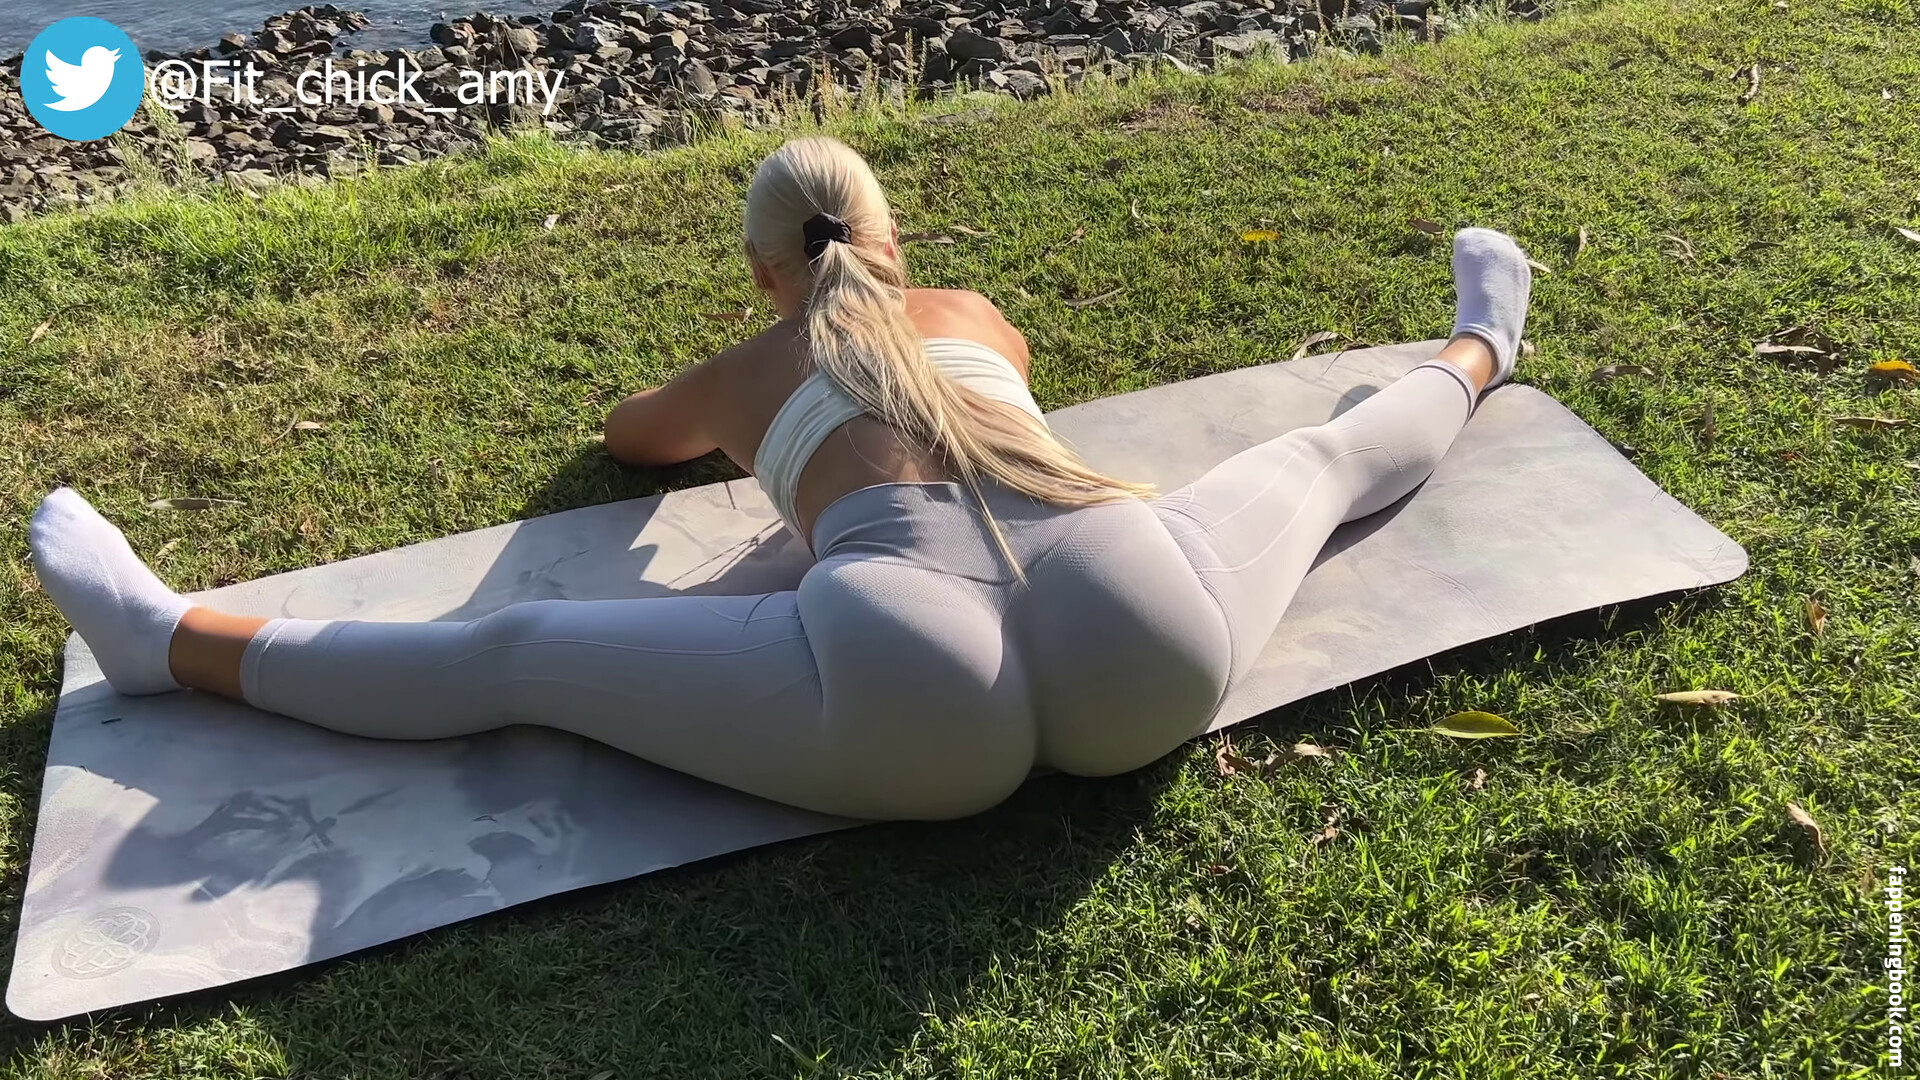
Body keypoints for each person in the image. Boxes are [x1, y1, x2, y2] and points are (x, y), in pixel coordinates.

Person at [28, 136, 1533, 822]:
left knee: (514, 654)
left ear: (764, 273)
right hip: (1145, 632)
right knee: (1326, 460)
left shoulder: (742, 370)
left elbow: (634, 441)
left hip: (905, 687)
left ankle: (168, 644)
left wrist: (724, 397)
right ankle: (1484, 341)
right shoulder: (974, 316)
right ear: (894, 245)